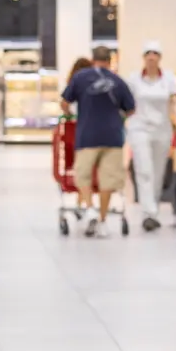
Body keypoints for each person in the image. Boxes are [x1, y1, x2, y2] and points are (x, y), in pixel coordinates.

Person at [62, 46, 136, 237]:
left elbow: (64, 102)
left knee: (83, 176)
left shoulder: (80, 78)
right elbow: (131, 109)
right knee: (107, 180)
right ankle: (102, 221)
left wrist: (70, 114)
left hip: (87, 135)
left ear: (92, 59)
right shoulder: (118, 81)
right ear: (110, 61)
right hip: (112, 137)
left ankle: (89, 208)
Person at [126, 41, 176, 233]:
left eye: (155, 53)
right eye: (147, 53)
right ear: (143, 57)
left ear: (159, 57)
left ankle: (153, 210)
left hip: (162, 129)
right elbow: (127, 105)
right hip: (139, 128)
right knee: (144, 169)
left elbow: (174, 102)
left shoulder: (169, 79)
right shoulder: (133, 80)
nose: (151, 57)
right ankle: (148, 213)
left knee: (158, 171)